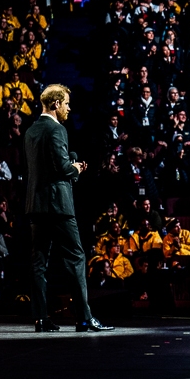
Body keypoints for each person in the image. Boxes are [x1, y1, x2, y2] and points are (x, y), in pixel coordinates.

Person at [25, 84, 112, 333]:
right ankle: (84, 318)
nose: (68, 108)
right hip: (58, 206)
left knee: (38, 263)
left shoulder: (31, 131)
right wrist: (77, 168)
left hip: (35, 204)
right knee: (75, 257)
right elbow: (62, 168)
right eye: (66, 104)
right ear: (55, 104)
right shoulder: (57, 129)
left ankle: (41, 319)